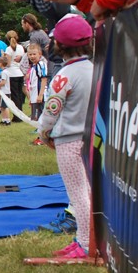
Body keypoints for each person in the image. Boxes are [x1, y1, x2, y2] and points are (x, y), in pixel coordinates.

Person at [37, 14, 96, 258]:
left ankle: (85, 243)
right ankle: (86, 238)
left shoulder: (64, 76)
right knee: (89, 190)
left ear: (60, 44)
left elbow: (51, 112)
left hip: (68, 141)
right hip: (92, 138)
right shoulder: (95, 70)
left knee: (77, 193)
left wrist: (44, 133)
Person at [23, 43, 48, 140]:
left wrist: (40, 95)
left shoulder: (41, 65)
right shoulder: (33, 66)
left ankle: (43, 136)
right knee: (37, 116)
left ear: (40, 54)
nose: (32, 56)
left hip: (40, 96)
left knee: (42, 116)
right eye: (30, 54)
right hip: (35, 96)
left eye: (34, 54)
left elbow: (44, 79)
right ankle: (40, 133)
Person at [1, 30, 26, 120]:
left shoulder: (9, 49)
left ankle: (17, 116)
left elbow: (8, 63)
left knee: (14, 96)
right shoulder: (21, 47)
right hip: (20, 72)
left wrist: (3, 56)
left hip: (12, 73)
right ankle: (20, 113)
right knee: (19, 94)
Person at [0, 54, 12, 125]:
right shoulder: (5, 72)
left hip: (5, 92)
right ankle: (4, 119)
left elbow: (3, 83)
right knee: (2, 107)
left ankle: (7, 120)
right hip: (4, 91)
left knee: (5, 107)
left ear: (1, 63)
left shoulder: (4, 73)